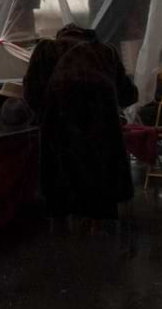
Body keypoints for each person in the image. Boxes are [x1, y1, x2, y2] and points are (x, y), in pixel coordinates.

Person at [24, 24, 136, 223]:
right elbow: (128, 94)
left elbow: (31, 91)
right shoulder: (105, 51)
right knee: (100, 192)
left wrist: (45, 114)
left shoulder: (46, 49)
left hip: (59, 130)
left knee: (61, 189)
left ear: (60, 35)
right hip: (102, 134)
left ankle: (63, 232)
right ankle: (102, 235)